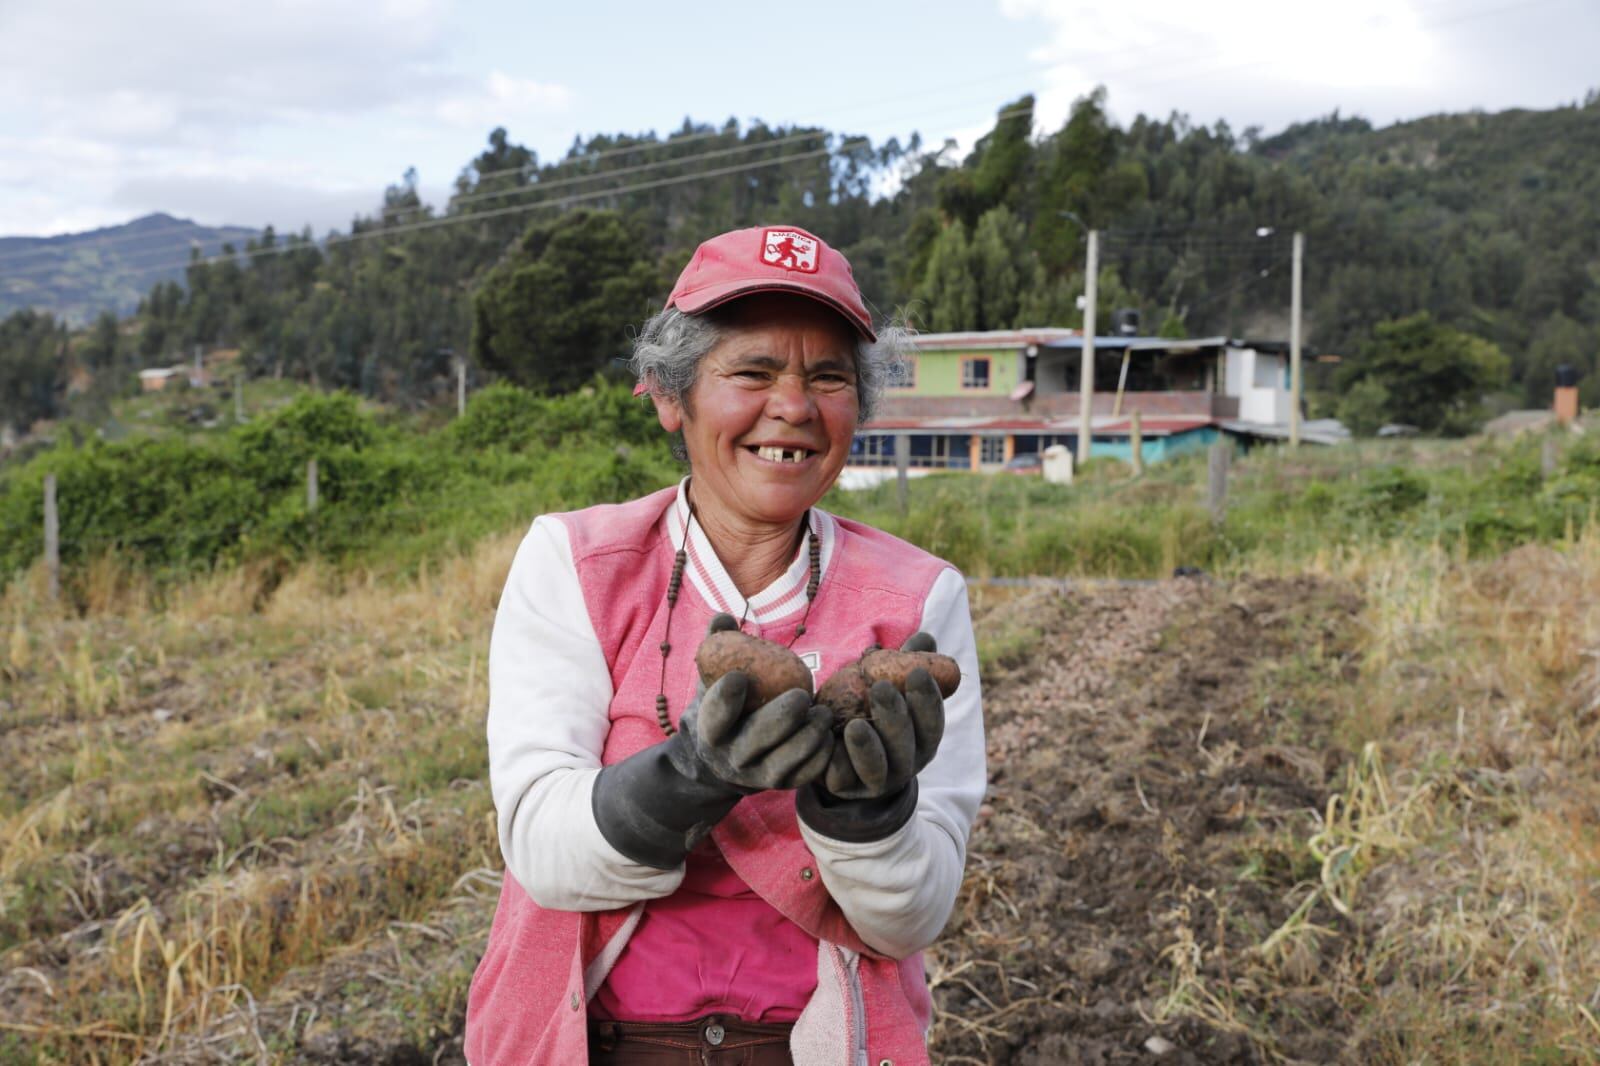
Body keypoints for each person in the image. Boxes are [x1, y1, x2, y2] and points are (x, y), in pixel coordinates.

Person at [464, 225, 986, 1065]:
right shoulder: (577, 563)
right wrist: (691, 774)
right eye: (752, 372)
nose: (794, 406)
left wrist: (865, 815)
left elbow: (914, 919)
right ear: (672, 398)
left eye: (829, 378)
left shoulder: (920, 598)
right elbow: (543, 850)